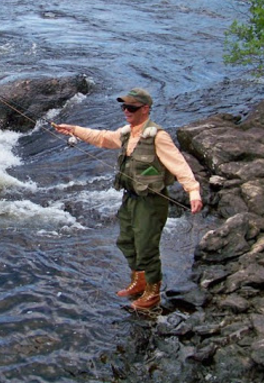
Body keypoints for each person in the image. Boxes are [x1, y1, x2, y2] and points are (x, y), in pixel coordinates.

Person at [54, 87, 203, 310]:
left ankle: (153, 293)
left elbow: (178, 164)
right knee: (126, 241)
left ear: (145, 109)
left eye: (131, 107)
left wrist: (193, 191)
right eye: (124, 106)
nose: (126, 111)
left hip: (151, 202)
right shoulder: (126, 132)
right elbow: (103, 138)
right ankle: (139, 281)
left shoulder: (158, 136)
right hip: (130, 198)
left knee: (147, 247)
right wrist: (74, 130)